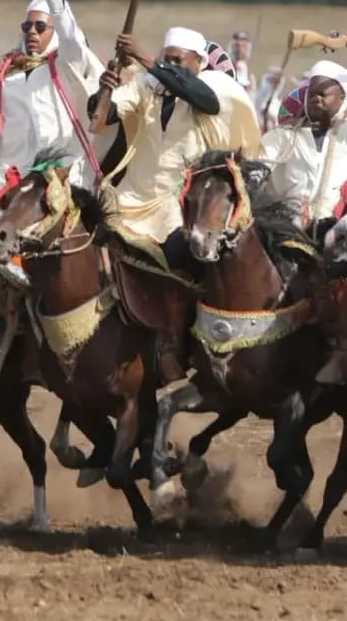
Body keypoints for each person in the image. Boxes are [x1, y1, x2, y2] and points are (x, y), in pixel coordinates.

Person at [97, 24, 262, 381]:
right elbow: (105, 115)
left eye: (178, 60)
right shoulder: (148, 85)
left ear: (198, 63)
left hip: (180, 204)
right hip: (131, 197)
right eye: (167, 58)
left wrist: (146, 59)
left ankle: (177, 345)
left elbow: (204, 99)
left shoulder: (209, 90)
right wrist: (105, 87)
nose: (170, 65)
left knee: (179, 259)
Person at [258, 40, 347, 382]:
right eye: (312, 93)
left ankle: (342, 353)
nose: (316, 98)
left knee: (343, 272)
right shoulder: (285, 136)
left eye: (325, 93)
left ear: (342, 97)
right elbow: (258, 169)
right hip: (289, 226)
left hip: (340, 226)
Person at [0, 0, 105, 257]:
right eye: (27, 27)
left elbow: (71, 36)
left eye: (41, 27)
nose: (32, 33)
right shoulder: (5, 73)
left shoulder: (68, 62)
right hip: (11, 173)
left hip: (62, 172)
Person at [228, 30, 255, 99]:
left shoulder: (250, 74)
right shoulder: (227, 67)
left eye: (243, 46)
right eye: (237, 46)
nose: (240, 49)